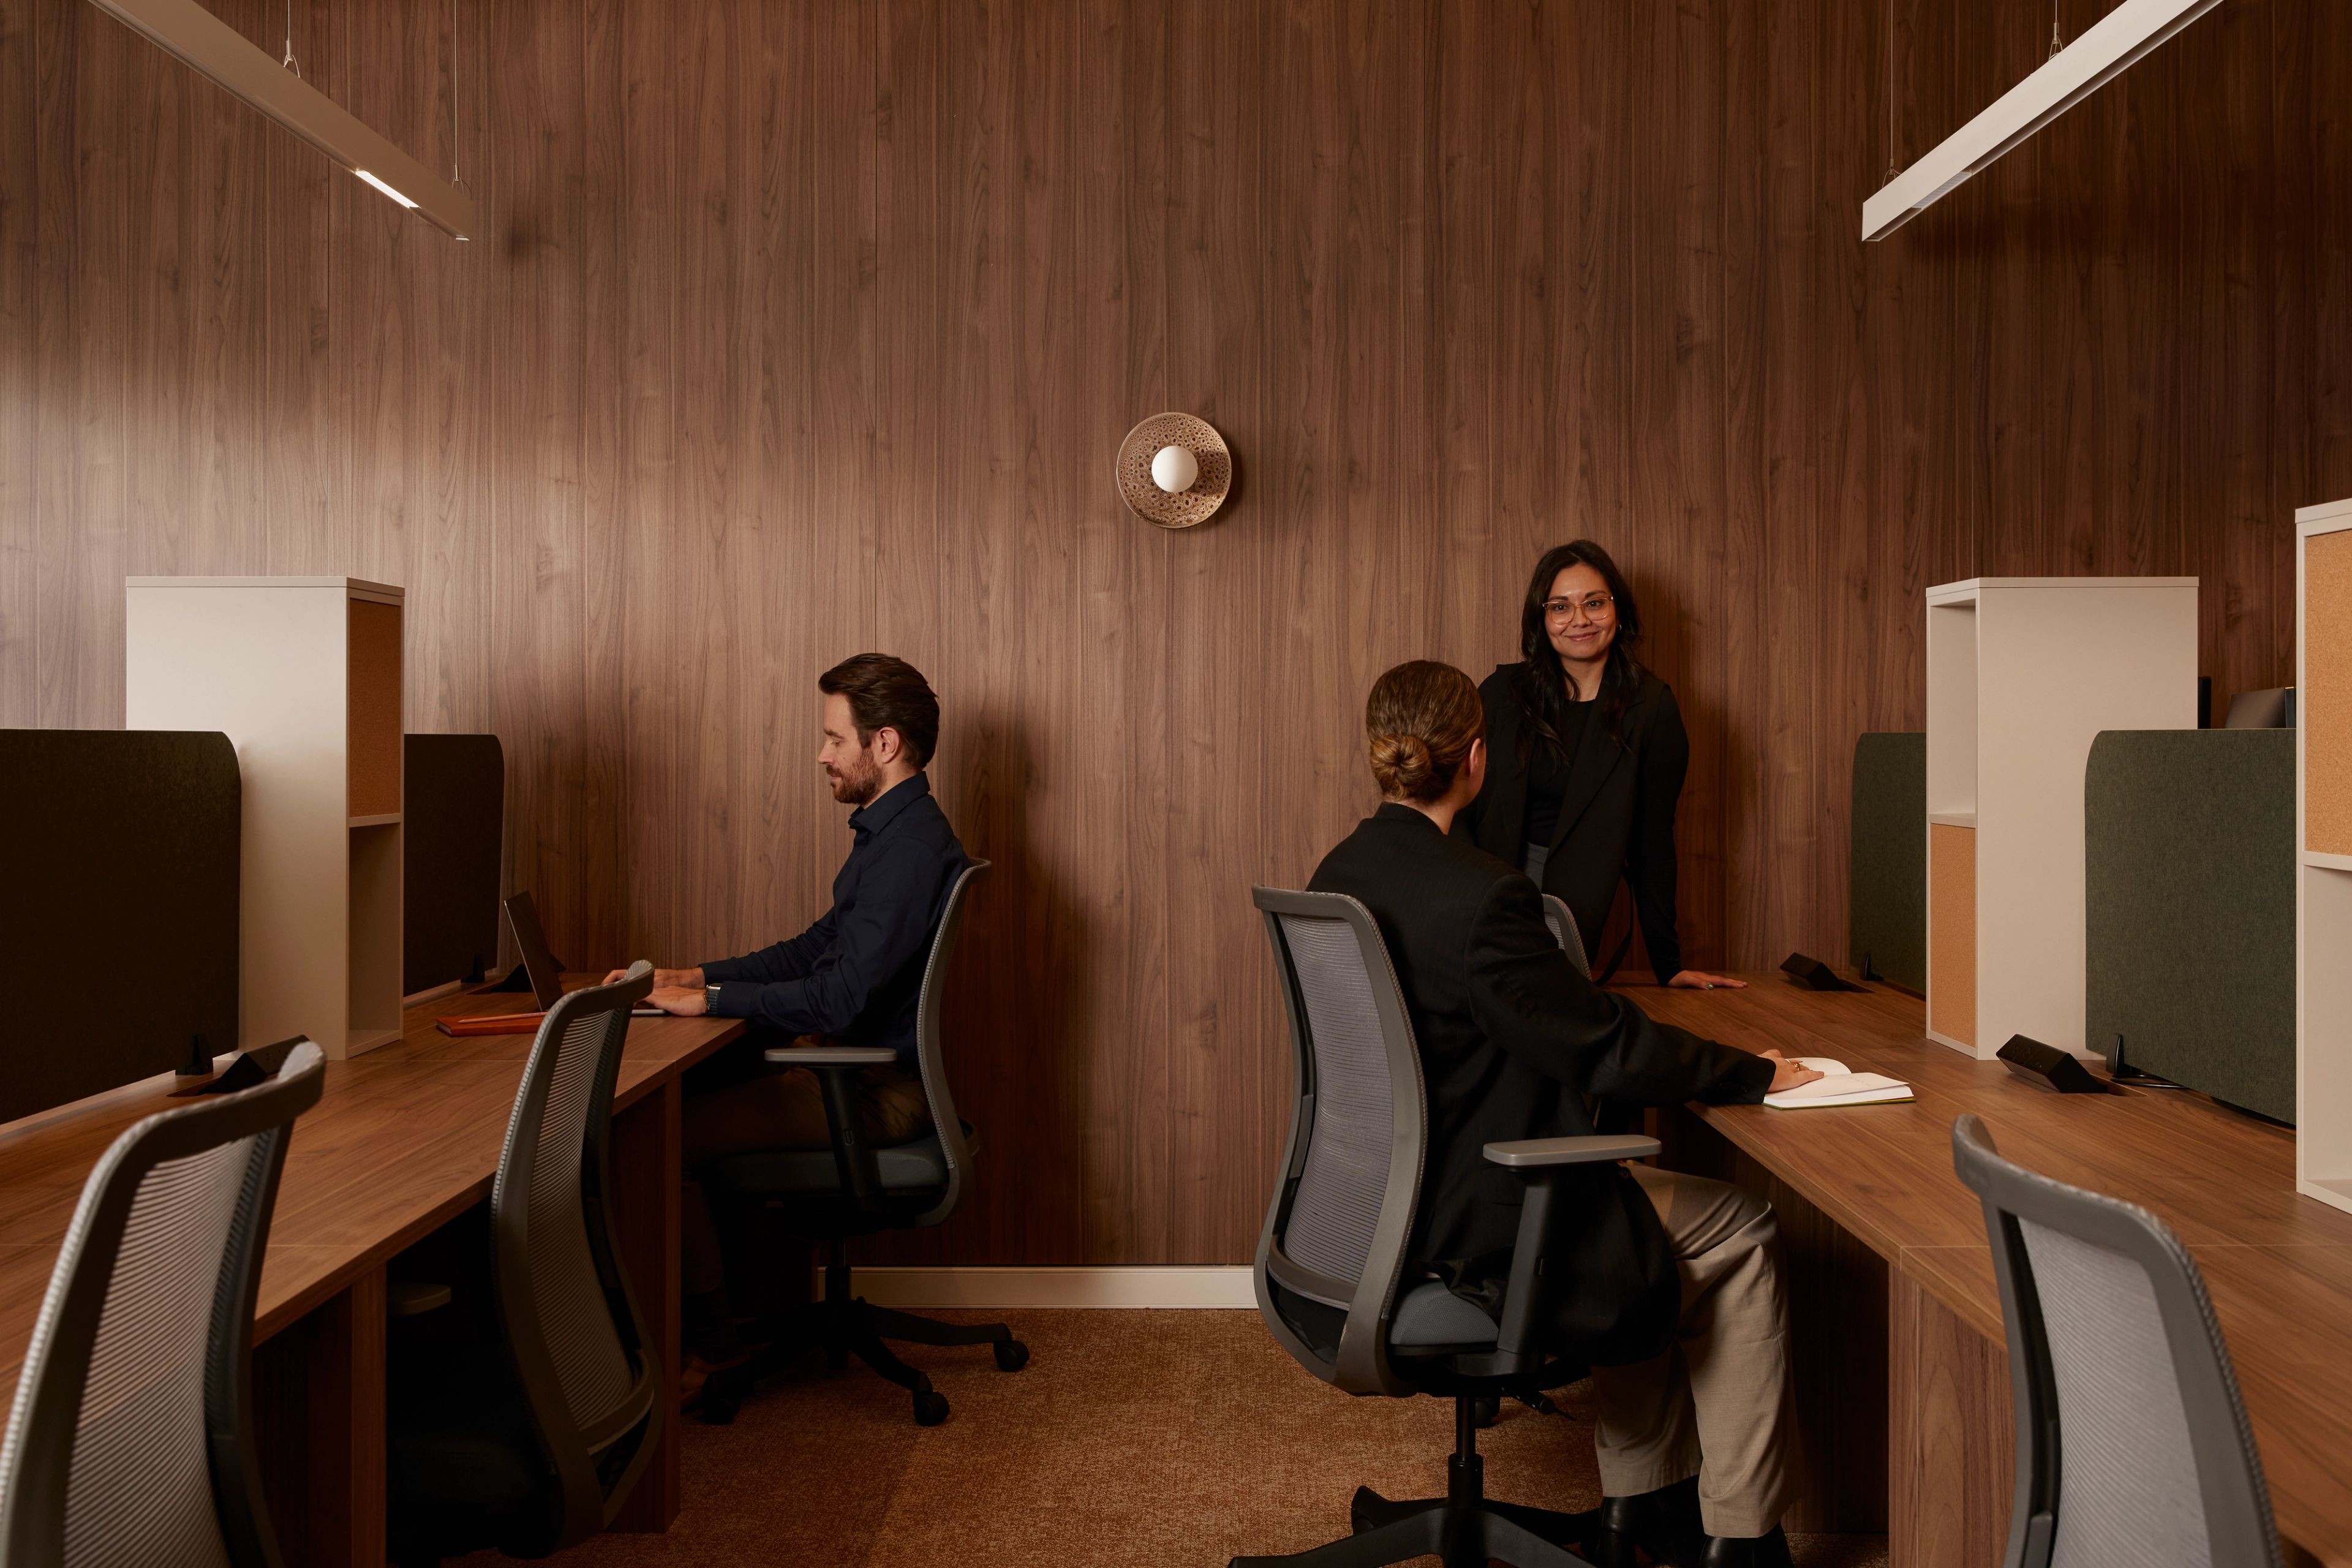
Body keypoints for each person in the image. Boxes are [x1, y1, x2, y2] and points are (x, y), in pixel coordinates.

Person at [1309, 659, 1820, 1568]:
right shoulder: (1482, 898)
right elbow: (1602, 1044)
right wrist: (1755, 1073)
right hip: (1477, 1222)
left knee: (1634, 1210)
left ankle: (1646, 1503)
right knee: (1737, 1229)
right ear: (1477, 757)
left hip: (1371, 1208)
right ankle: (1740, 1538)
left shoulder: (1340, 869)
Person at [617, 653, 968, 1381]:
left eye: (835, 739)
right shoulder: (892, 832)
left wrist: (712, 1004)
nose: (823, 755)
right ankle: (710, 1326)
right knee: (700, 1096)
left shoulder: (908, 850)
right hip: (860, 1074)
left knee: (661, 1140)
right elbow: (818, 947)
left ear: (885, 745)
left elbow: (837, 998)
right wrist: (699, 976)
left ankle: (711, 1352)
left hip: (877, 1094)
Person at [1455, 540, 1744, 990]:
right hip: (1483, 891)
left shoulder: (1652, 709)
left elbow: (1653, 844)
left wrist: (1668, 965)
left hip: (1573, 904)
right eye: (1560, 607)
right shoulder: (1499, 693)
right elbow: (1458, 808)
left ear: (1619, 611)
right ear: (1541, 618)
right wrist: (1459, 904)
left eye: (1595, 603)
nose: (1580, 620)